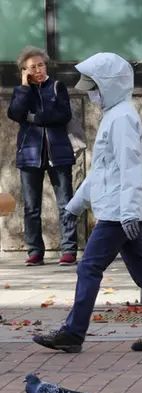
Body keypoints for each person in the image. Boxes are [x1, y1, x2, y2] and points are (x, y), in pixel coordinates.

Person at [32, 53, 142, 354]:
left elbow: (130, 168)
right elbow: (103, 170)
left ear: (109, 85)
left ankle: (74, 333)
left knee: (89, 267)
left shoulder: (122, 117)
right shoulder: (116, 115)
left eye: (93, 85)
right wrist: (75, 205)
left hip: (119, 212)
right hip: (122, 210)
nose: (88, 91)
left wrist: (125, 212)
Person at [7, 46, 78, 267]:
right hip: (29, 155)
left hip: (59, 154)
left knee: (66, 203)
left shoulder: (57, 86)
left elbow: (63, 114)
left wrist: (35, 118)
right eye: (32, 67)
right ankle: (35, 251)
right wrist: (25, 87)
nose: (38, 69)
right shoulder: (22, 90)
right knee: (31, 206)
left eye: (41, 65)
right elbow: (15, 114)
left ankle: (69, 250)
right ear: (24, 71)